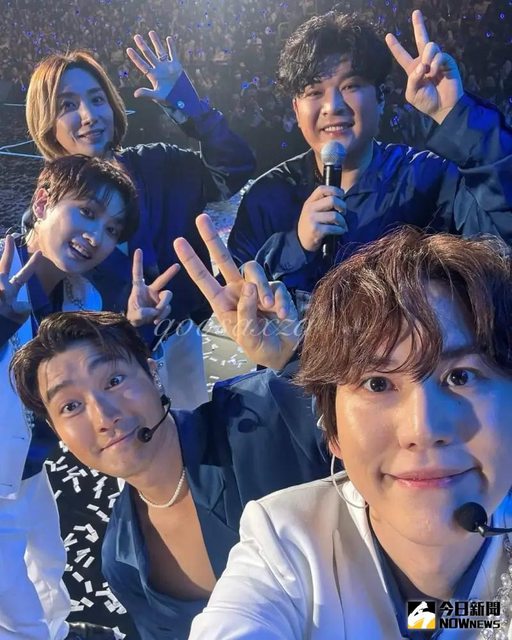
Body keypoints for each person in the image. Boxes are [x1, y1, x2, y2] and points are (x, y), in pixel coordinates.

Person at [9, 216, 330, 640]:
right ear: (56, 431)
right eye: (71, 406)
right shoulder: (125, 561)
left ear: (154, 374)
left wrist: (296, 359)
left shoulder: (263, 413)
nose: (103, 416)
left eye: (114, 380)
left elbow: (379, 424)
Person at [189, 227, 512, 639]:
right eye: (377, 383)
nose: (423, 429)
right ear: (333, 433)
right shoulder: (286, 543)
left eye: (461, 376)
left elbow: (427, 616)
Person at [26, 32, 256, 408]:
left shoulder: (159, 163)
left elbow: (234, 168)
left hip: (181, 339)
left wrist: (188, 104)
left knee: (191, 433)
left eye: (97, 99)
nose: (89, 116)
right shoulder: (47, 221)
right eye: (68, 104)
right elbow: (45, 329)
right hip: (112, 369)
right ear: (46, 122)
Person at [0, 154, 177, 640]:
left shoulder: (83, 296)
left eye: (112, 229)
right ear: (42, 202)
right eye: (87, 212)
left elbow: (97, 377)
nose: (96, 236)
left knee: (49, 566)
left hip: (29, 468)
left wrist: (135, 330)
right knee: (15, 611)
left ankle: (59, 632)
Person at [228, 10, 512, 298]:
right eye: (314, 92)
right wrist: (295, 246)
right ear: (295, 110)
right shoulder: (267, 197)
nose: (332, 106)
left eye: (350, 86)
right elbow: (233, 298)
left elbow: (501, 250)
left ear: (380, 98)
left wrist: (459, 116)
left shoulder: (430, 180)